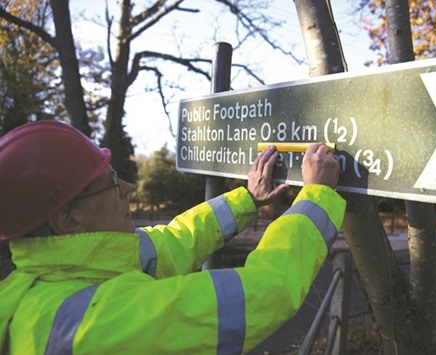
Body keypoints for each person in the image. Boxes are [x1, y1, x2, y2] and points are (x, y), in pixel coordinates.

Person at [0, 120, 346, 354]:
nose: (127, 188)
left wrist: (247, 199)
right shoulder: (100, 324)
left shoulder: (43, 282)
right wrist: (316, 195)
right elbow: (265, 290)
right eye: (109, 184)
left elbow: (174, 241)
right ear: (68, 220)